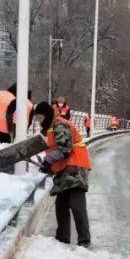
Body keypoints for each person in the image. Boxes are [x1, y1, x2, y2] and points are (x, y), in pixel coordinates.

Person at [37, 100, 92, 247]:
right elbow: (55, 151)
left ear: (46, 115)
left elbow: (65, 148)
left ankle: (84, 241)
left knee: (76, 205)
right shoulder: (50, 128)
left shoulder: (59, 124)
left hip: (76, 166)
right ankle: (62, 240)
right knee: (61, 205)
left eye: (39, 117)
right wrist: (48, 166)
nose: (38, 121)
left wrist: (48, 160)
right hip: (64, 169)